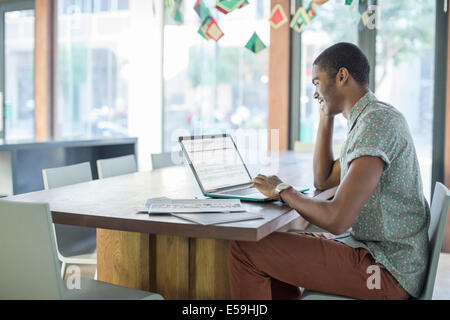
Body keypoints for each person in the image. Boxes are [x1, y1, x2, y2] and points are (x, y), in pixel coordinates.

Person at [228, 42, 430, 300]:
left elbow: (337, 220)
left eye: (316, 82)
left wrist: (281, 189)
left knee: (246, 250)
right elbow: (323, 180)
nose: (314, 93)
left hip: (385, 273)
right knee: (272, 245)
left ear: (342, 76)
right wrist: (327, 114)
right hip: (381, 257)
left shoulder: (376, 124)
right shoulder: (369, 119)